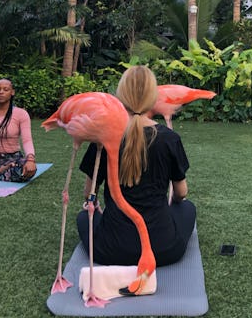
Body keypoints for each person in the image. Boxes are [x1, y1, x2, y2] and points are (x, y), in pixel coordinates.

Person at [76, 66, 197, 267]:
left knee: (83, 218)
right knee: (187, 208)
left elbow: (89, 193)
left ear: (121, 94)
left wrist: (95, 206)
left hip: (110, 249)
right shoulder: (170, 139)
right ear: (153, 96)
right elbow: (181, 193)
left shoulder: (103, 138)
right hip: (163, 249)